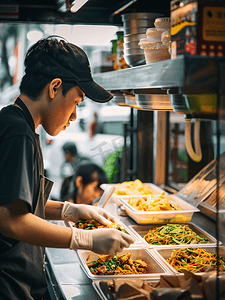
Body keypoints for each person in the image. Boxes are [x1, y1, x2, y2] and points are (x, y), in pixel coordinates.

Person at [0, 36, 135, 300]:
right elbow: (10, 219)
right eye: (76, 102)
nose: (74, 116)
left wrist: (68, 210)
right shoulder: (18, 133)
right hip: (9, 286)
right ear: (54, 87)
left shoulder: (17, 121)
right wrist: (84, 240)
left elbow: (17, 202)